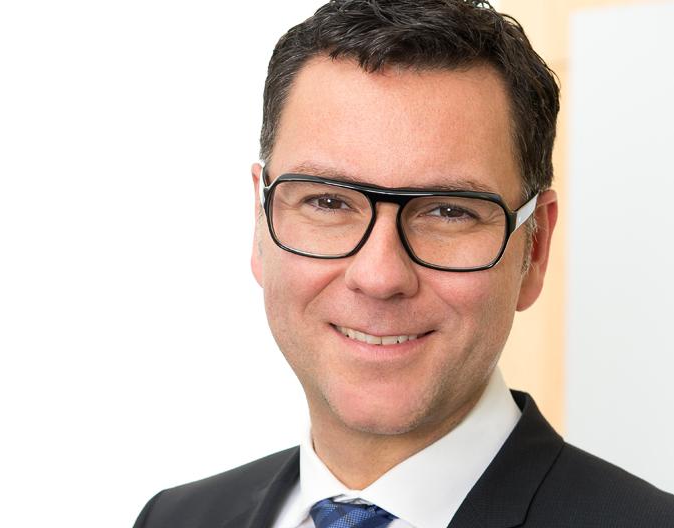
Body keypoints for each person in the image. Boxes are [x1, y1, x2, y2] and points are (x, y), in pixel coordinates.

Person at [134, 1, 674, 526]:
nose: (380, 276)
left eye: (448, 212)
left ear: (534, 250)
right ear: (260, 222)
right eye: (328, 202)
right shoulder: (174, 519)